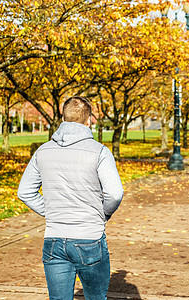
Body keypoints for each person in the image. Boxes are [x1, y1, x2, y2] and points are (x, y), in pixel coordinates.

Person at [17, 96, 124, 300]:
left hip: (54, 239)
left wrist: (51, 212)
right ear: (89, 120)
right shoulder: (100, 152)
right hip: (89, 237)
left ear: (62, 117)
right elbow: (115, 193)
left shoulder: (43, 151)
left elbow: (25, 192)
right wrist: (102, 215)